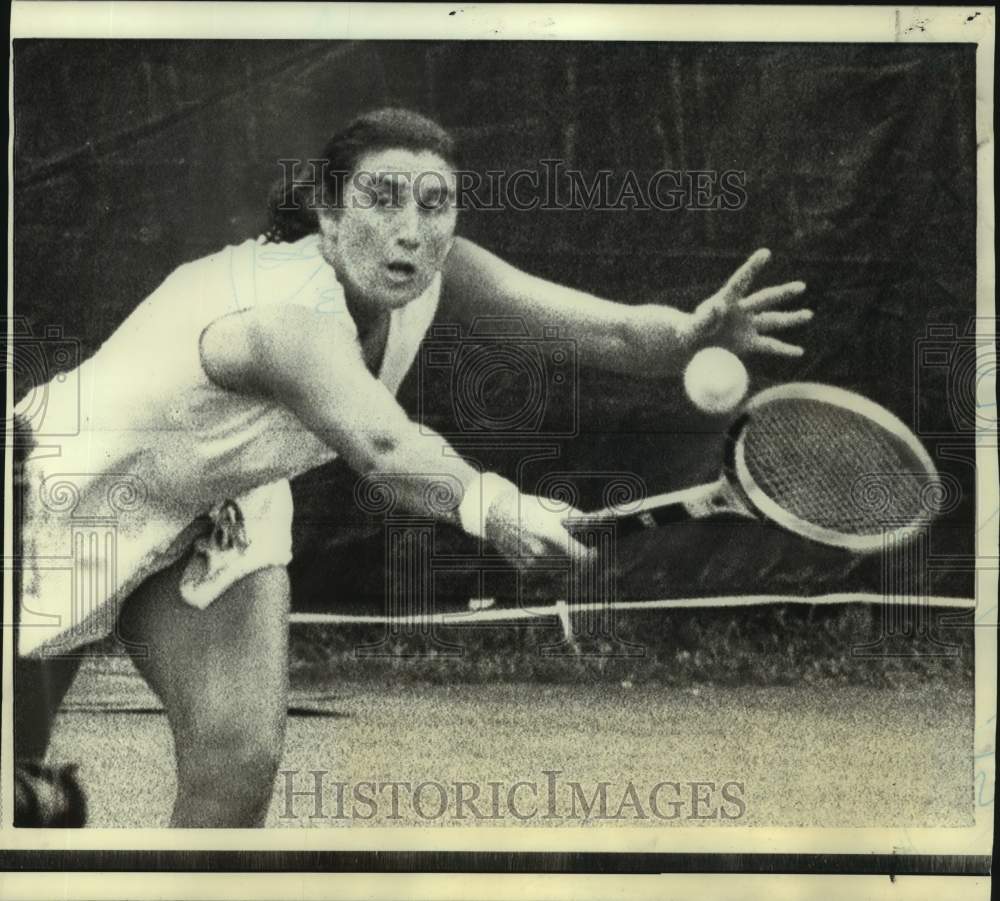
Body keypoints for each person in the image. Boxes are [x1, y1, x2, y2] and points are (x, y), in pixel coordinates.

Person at [12, 107, 811, 827]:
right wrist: (495, 504)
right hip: (58, 495)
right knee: (16, 800)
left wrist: (687, 335)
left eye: (435, 204)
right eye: (382, 198)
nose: (411, 229)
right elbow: (385, 447)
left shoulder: (434, 272)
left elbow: (607, 335)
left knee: (238, 766)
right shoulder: (280, 311)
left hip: (219, 500)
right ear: (327, 214)